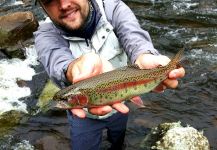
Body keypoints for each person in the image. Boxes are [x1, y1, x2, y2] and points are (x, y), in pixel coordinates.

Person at [34, 0, 185, 149]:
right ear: (42, 6)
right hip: (82, 117)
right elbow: (56, 61)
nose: (64, 4)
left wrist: (144, 56)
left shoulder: (114, 8)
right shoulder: (44, 34)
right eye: (49, 1)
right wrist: (72, 70)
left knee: (118, 139)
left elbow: (134, 38)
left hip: (121, 104)